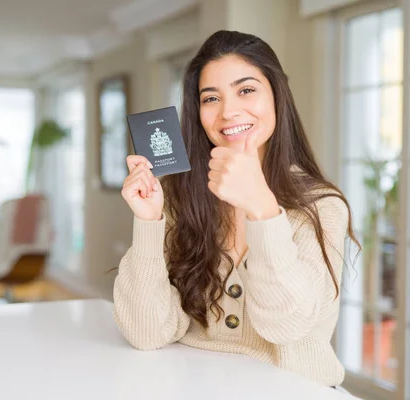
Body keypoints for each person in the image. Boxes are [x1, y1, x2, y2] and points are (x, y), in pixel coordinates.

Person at [113, 30, 359, 389]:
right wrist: (149, 220)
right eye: (211, 98)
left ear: (276, 96)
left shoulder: (321, 206)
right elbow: (146, 332)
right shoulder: (180, 198)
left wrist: (262, 208)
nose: (229, 111)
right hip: (194, 386)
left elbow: (286, 326)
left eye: (246, 90)